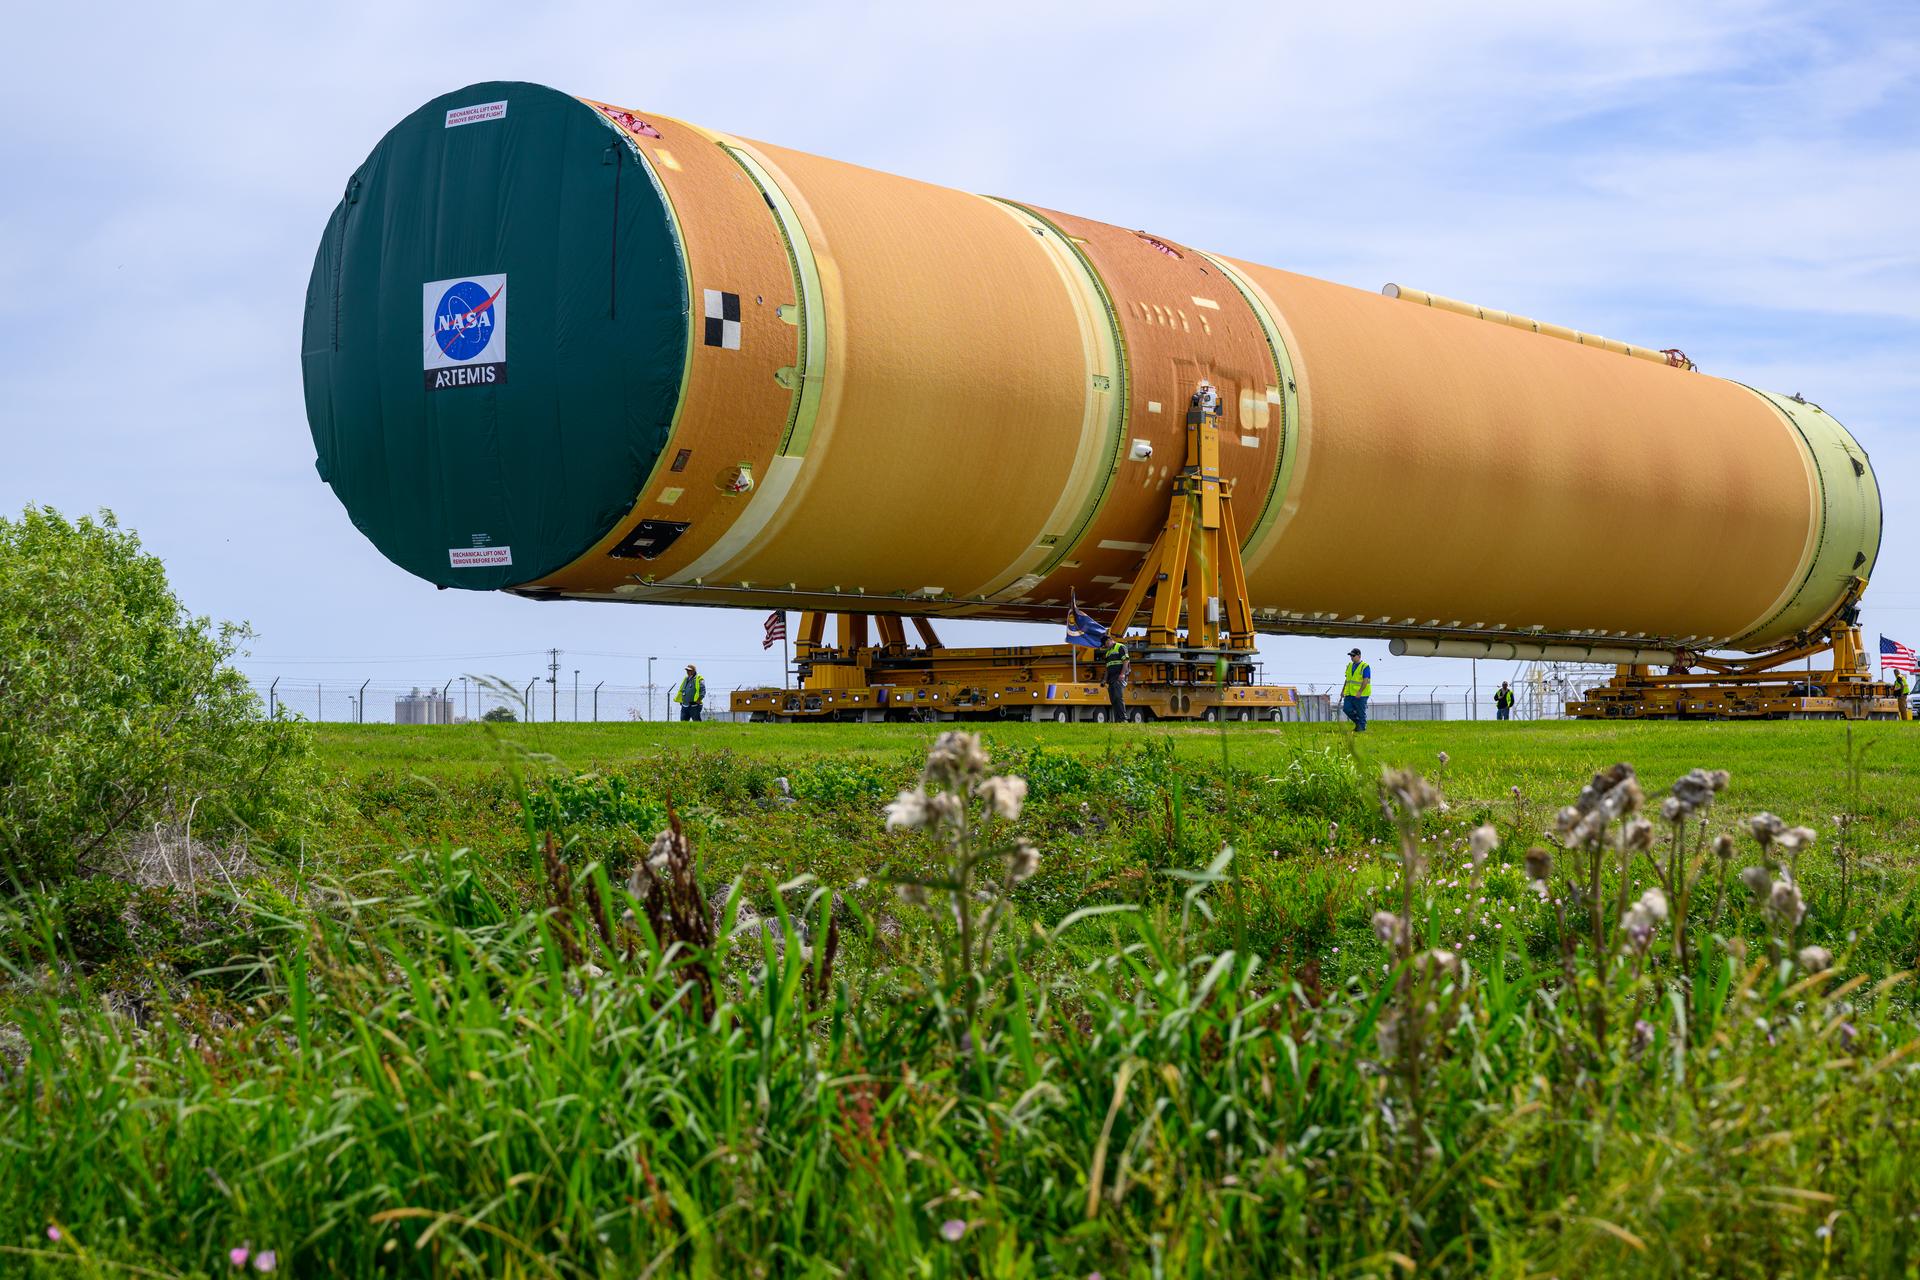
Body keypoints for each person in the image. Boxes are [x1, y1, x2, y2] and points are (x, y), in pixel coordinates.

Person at [1099, 636, 1130, 721]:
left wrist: (1122, 674)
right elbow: (1107, 668)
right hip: (1111, 678)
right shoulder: (1108, 653)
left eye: (1105, 644)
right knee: (1113, 699)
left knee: (1118, 697)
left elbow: (1126, 661)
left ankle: (1123, 719)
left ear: (1109, 640)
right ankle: (1118, 720)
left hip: (1119, 676)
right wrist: (1104, 679)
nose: (1105, 646)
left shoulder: (1120, 647)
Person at [1341, 647, 1371, 733]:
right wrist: (1342, 690)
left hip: (1361, 694)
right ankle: (1359, 724)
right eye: (1351, 656)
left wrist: (1360, 692)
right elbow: (1347, 680)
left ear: (1359, 656)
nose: (1351, 657)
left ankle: (1361, 728)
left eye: (1353, 656)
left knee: (1360, 712)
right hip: (1349, 693)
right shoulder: (1349, 666)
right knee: (1346, 709)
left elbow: (1366, 680)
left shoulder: (1365, 666)